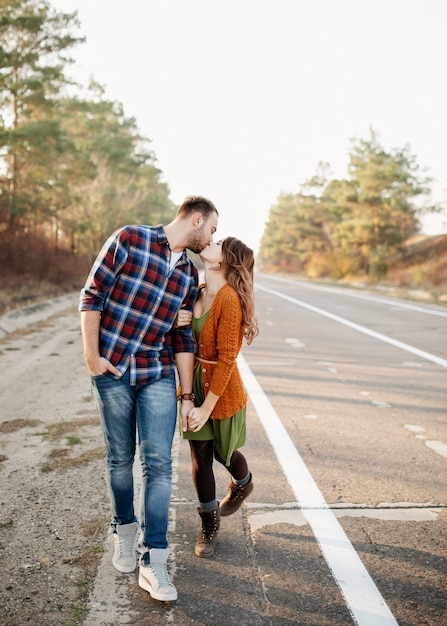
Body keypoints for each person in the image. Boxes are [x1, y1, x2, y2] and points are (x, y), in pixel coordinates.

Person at [79, 196, 219, 602]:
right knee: (120, 459)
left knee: (159, 464)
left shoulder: (189, 275)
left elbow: (181, 336)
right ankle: (123, 532)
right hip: (113, 370)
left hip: (156, 372)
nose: (212, 236)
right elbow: (92, 296)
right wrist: (92, 357)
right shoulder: (128, 239)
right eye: (211, 229)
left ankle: (153, 560)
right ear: (197, 219)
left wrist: (187, 395)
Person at [178, 236, 259, 558]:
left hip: (221, 392)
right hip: (193, 383)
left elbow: (227, 359)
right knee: (200, 458)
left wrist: (206, 408)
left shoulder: (229, 300)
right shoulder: (195, 291)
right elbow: (181, 337)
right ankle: (208, 524)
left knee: (225, 454)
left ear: (223, 260)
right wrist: (177, 320)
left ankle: (243, 482)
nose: (210, 243)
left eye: (218, 243)